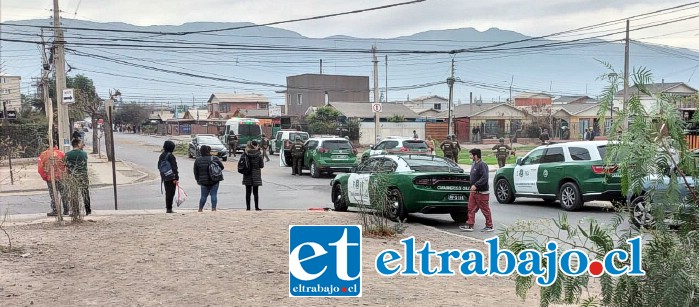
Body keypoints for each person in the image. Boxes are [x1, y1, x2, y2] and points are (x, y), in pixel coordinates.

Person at [460, 148, 493, 232]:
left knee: (485, 209)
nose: (470, 156)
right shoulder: (473, 164)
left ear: (476, 155)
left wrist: (476, 185)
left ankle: (489, 226)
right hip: (473, 192)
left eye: (471, 155)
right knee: (471, 208)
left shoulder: (482, 165)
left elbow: (484, 178)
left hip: (482, 192)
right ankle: (470, 225)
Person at [38, 143, 69, 216]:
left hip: (50, 178)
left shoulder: (43, 154)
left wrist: (45, 177)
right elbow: (67, 165)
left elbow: (40, 168)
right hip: (61, 177)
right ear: (56, 146)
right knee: (64, 193)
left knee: (53, 195)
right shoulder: (61, 154)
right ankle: (66, 210)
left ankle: (55, 210)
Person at [194, 145, 224, 212]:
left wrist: (198, 180)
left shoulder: (198, 160)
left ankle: (200, 209)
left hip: (203, 181)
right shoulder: (214, 158)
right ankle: (213, 209)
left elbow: (195, 172)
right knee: (214, 194)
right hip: (214, 180)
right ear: (209, 151)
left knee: (203, 196)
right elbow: (222, 167)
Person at [65, 138, 91, 216]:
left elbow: (66, 166)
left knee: (74, 194)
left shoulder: (67, 154)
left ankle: (76, 211)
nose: (82, 145)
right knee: (85, 193)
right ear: (77, 144)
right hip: (83, 176)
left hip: (73, 176)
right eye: (81, 143)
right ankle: (88, 210)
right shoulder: (84, 154)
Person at [158, 140, 179, 213]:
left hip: (164, 176)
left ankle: (168, 207)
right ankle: (169, 208)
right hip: (171, 177)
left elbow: (159, 166)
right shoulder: (170, 156)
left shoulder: (162, 155)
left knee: (168, 192)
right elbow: (174, 167)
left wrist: (163, 173)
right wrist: (176, 177)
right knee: (171, 192)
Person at [242, 141, 264, 211]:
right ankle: (256, 207)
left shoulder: (246, 154)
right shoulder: (259, 154)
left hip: (247, 174)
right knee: (256, 192)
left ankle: (248, 207)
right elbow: (261, 165)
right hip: (256, 174)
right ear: (256, 146)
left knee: (248, 192)